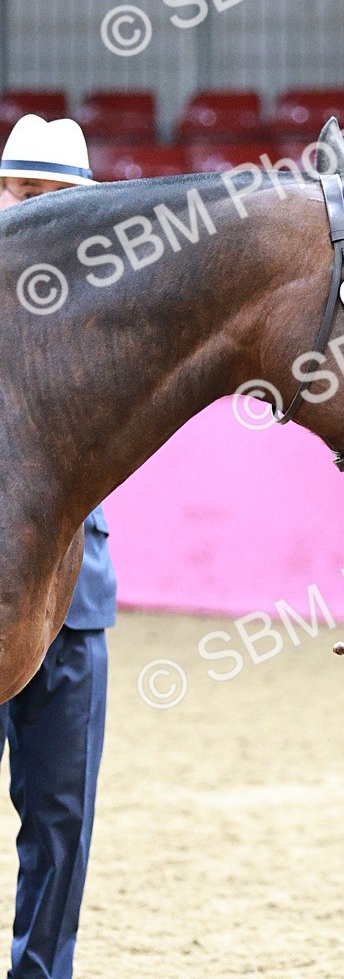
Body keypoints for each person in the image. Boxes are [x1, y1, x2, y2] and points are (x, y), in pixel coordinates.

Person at [0, 113, 116, 979]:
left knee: (61, 817)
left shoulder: (113, 314)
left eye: (44, 200)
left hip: (74, 597)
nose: (26, 213)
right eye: (16, 195)